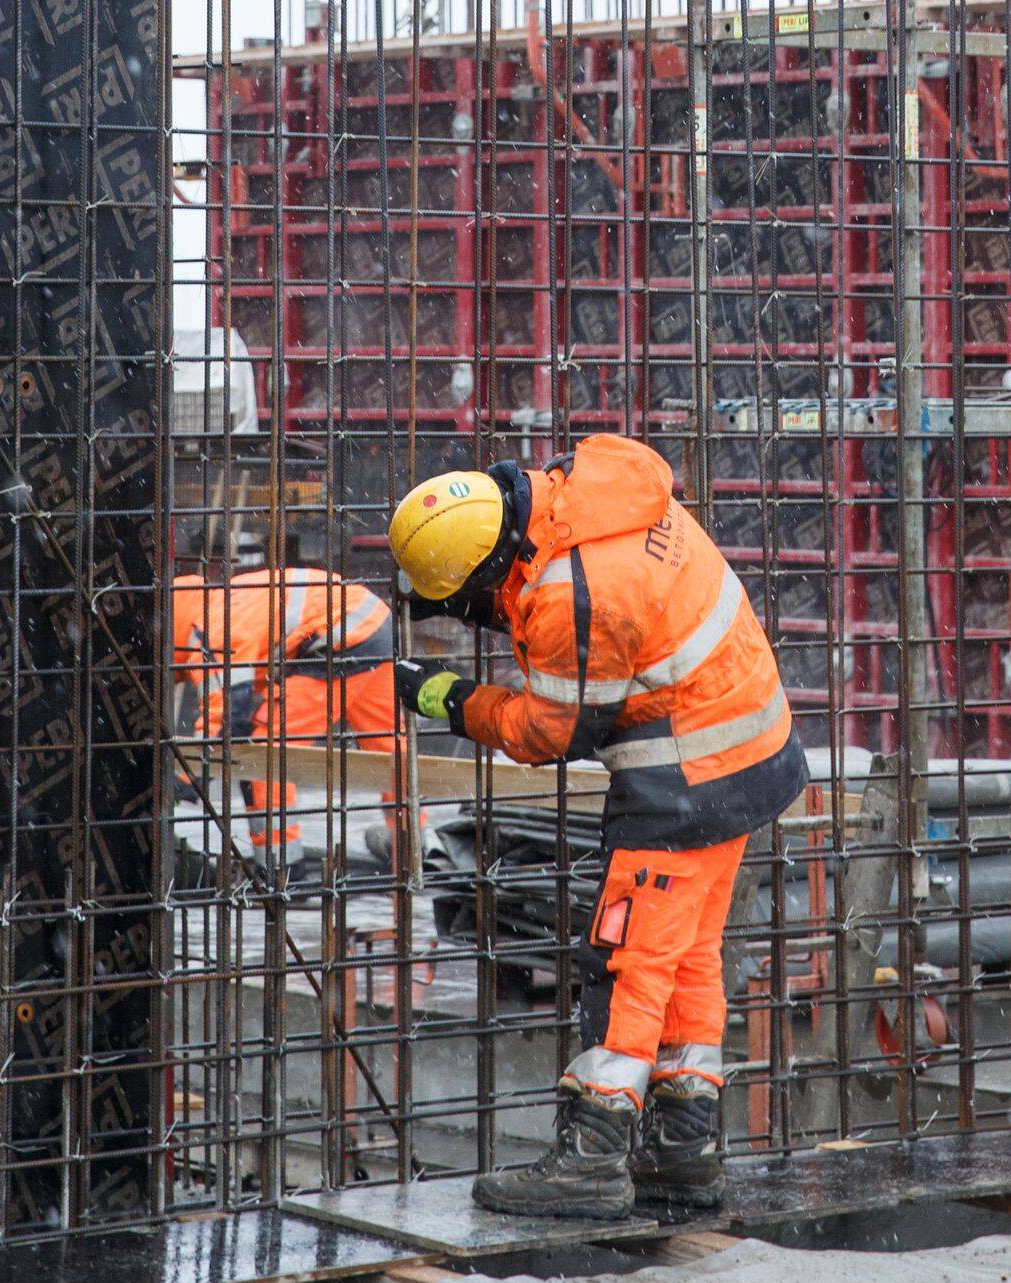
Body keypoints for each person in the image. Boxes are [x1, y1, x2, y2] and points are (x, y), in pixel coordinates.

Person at [388, 435, 806, 1221]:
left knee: (626, 962)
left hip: (687, 775)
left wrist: (448, 698)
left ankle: (592, 1158)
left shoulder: (580, 594)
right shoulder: (586, 494)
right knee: (683, 962)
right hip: (747, 753)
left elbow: (555, 731)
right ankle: (683, 1147)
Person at [173, 546, 397, 884]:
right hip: (373, 624)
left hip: (342, 637)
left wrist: (181, 783)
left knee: (264, 750)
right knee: (392, 752)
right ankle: (410, 849)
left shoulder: (205, 632)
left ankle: (282, 869)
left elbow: (228, 718)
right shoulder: (225, 604)